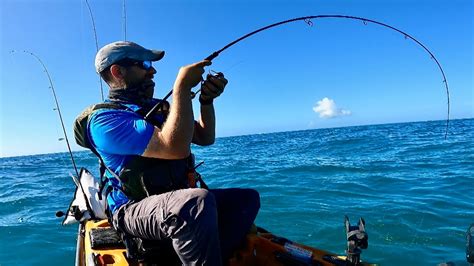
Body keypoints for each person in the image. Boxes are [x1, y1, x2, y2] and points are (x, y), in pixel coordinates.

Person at [75, 41, 260, 265]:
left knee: (246, 199)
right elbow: (174, 148)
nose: (152, 70)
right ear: (117, 71)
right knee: (194, 203)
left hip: (172, 204)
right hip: (131, 210)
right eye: (144, 63)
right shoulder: (104, 121)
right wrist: (181, 88)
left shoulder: (158, 107)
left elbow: (204, 137)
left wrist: (206, 101)